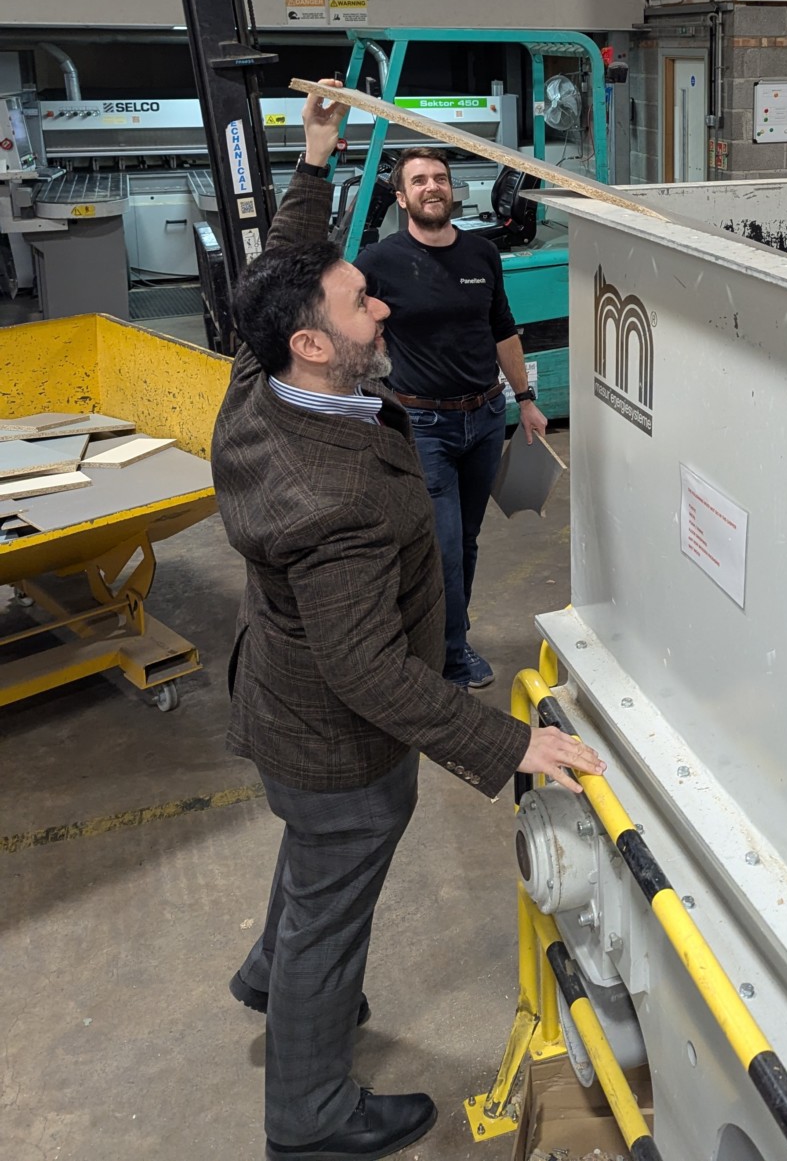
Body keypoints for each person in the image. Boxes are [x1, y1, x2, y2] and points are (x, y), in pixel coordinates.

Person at [213, 83, 604, 1161]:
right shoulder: (325, 492)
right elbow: (371, 672)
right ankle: (309, 1113)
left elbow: (279, 266)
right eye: (359, 307)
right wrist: (509, 742)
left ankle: (262, 968)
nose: (377, 304)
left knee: (312, 857)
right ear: (317, 346)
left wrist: (314, 159)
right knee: (334, 908)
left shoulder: (258, 380)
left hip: (276, 702)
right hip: (335, 742)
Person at [355, 146, 547, 692]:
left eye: (440, 177)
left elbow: (502, 328)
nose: (432, 186)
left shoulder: (481, 254)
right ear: (401, 197)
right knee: (441, 544)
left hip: (485, 417)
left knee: (467, 539)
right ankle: (447, 654)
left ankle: (446, 634)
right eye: (419, 180)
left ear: (452, 188)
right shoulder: (378, 262)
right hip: (422, 426)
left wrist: (525, 399)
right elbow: (355, 332)